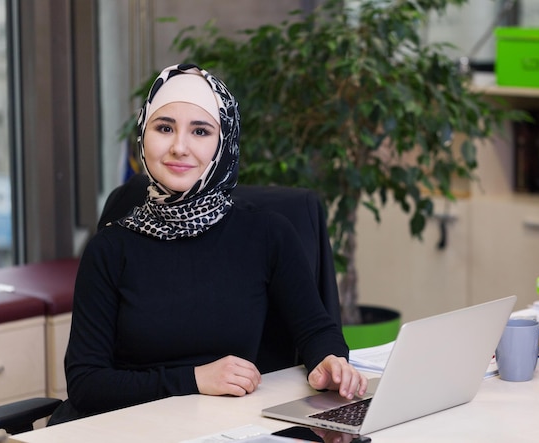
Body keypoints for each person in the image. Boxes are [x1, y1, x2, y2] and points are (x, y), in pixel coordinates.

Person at [51, 63, 367, 424]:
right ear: (143, 135)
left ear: (224, 142)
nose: (179, 147)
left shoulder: (267, 234)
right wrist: (195, 378)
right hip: (125, 427)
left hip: (223, 426)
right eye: (164, 127)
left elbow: (316, 329)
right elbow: (86, 383)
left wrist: (329, 360)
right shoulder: (109, 249)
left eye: (200, 131)